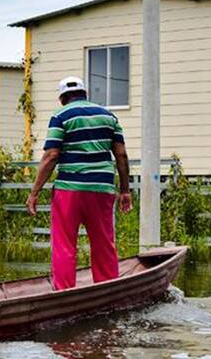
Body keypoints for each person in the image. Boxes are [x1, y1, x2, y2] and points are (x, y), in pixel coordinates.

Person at [25, 76, 132, 291]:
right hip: (102, 190)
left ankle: (65, 292)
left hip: (69, 190)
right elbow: (121, 155)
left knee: (64, 245)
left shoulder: (61, 116)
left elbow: (51, 155)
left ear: (62, 98)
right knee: (103, 244)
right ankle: (107, 290)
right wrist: (125, 190)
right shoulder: (109, 117)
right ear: (85, 94)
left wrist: (34, 192)